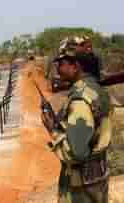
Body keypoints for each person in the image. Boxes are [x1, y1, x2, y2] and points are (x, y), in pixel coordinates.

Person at [41, 40, 114, 203]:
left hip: (80, 188)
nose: (58, 69)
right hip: (97, 178)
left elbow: (77, 153)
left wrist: (52, 130)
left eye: (61, 63)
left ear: (76, 66)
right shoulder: (97, 90)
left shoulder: (80, 99)